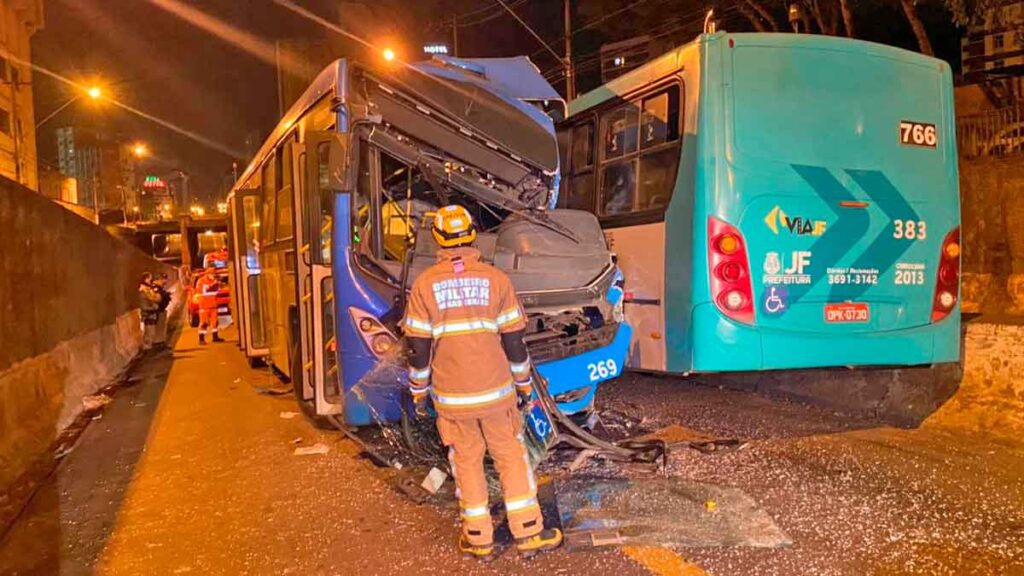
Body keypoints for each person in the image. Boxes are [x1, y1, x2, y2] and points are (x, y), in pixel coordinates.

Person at [403, 205, 563, 561]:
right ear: (472, 236)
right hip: (497, 396)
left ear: (438, 240)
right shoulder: (496, 281)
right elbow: (515, 343)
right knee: (511, 458)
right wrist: (523, 386)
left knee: (467, 462)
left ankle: (479, 538)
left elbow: (418, 349)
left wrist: (417, 393)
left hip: (453, 400)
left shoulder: (424, 287)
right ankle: (529, 533)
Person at [196, 266, 223, 344]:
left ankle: (215, 337)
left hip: (213, 305)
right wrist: (214, 286)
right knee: (203, 323)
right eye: (212, 273)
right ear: (207, 274)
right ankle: (201, 339)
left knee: (215, 322)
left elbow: (217, 291)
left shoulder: (214, 281)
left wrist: (217, 285)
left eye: (214, 274)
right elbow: (203, 291)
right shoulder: (201, 281)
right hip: (204, 305)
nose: (213, 275)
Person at [137, 273, 161, 351]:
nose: (151, 280)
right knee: (149, 332)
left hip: (151, 313)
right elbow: (153, 299)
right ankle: (147, 349)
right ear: (146, 279)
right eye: (149, 278)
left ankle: (148, 347)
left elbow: (156, 298)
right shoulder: (144, 290)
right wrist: (154, 307)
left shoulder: (148, 289)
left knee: (151, 332)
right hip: (148, 313)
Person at [153, 272, 172, 349]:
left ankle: (161, 342)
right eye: (163, 280)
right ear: (159, 280)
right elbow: (158, 298)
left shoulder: (160, 288)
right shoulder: (156, 288)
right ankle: (158, 344)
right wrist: (166, 296)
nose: (165, 282)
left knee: (162, 327)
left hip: (161, 310)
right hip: (158, 311)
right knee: (159, 328)